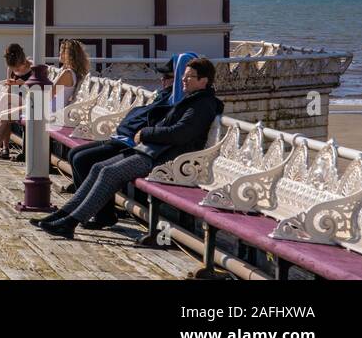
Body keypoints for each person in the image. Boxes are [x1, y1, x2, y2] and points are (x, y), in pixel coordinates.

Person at [36, 54, 223, 238]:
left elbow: (180, 133)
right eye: (183, 76)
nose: (183, 80)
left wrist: (146, 133)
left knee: (109, 172)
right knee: (98, 167)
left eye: (189, 77)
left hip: (164, 159)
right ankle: (63, 215)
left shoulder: (202, 104)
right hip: (152, 150)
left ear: (203, 81)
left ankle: (71, 222)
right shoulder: (192, 99)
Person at [0, 40, 88, 163]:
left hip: (47, 109)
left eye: (62, 51)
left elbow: (47, 95)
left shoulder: (67, 73)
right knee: (6, 98)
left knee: (5, 115)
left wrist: (25, 84)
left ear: (69, 55)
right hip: (42, 104)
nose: (59, 53)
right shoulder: (67, 71)